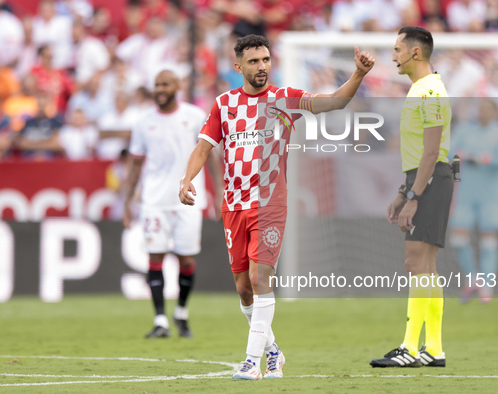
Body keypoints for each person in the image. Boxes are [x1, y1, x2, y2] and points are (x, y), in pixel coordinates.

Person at [179, 34, 375, 380]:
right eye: (254, 61)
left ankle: (251, 362)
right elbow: (203, 147)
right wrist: (186, 180)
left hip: (270, 202)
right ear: (238, 66)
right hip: (234, 205)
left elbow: (333, 103)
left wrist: (357, 76)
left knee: (259, 277)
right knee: (243, 288)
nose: (262, 67)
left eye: (266, 60)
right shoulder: (224, 104)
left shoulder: (284, 99)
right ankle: (273, 352)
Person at [370, 26, 452, 368]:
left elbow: (431, 152)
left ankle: (409, 346)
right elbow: (423, 152)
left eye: (397, 49)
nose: (393, 56)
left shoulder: (429, 90)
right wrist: (405, 192)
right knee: (426, 267)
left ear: (415, 52)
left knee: (416, 264)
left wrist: (416, 194)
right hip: (425, 181)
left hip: (431, 180)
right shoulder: (422, 88)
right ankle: (432, 347)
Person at [124, 69, 224, 339]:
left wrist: (220, 191)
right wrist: (126, 203)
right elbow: (134, 165)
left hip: (189, 199)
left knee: (186, 258)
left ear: (177, 86)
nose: (160, 89)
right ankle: (160, 320)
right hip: (154, 200)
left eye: (165, 84)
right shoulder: (143, 122)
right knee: (154, 255)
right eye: (157, 84)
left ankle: (180, 311)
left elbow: (210, 156)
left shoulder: (193, 117)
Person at [449, 98, 498, 303]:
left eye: (486, 108)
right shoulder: (464, 131)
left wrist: (488, 159)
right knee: (458, 239)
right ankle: (472, 279)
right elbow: (450, 156)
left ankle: (487, 286)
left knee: (488, 241)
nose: (482, 112)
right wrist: (461, 162)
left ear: (494, 111)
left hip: (490, 197)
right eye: (480, 108)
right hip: (466, 195)